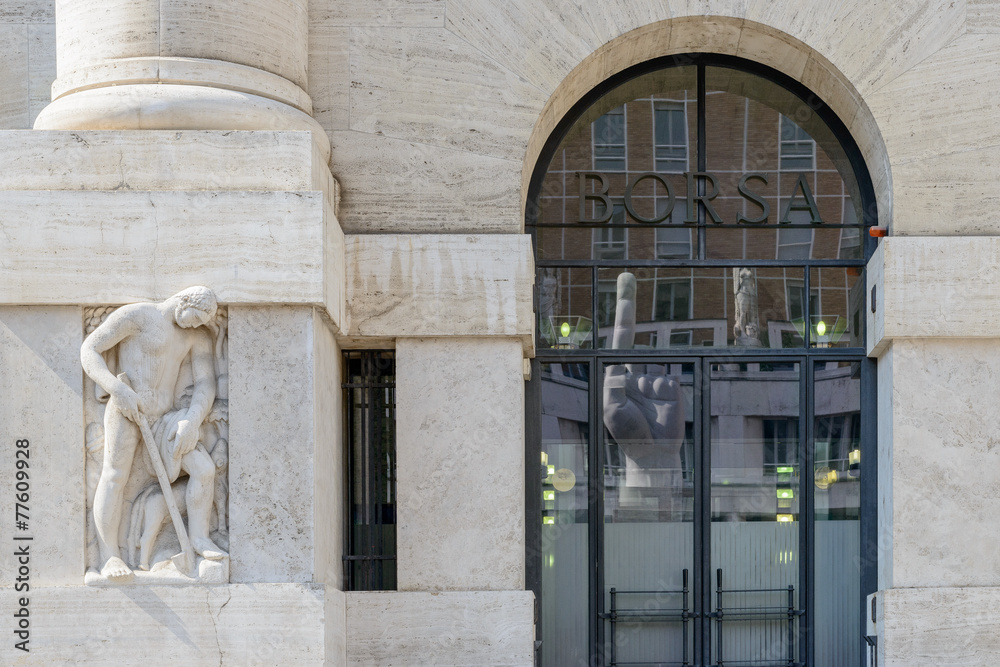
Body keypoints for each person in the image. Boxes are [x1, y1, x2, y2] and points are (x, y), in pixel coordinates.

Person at [81, 286, 226, 581]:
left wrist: (192, 420)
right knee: (114, 476)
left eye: (201, 322)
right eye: (195, 317)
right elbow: (90, 349)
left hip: (167, 418)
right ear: (183, 301)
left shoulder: (197, 335)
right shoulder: (138, 316)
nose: (197, 325)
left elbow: (206, 384)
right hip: (126, 408)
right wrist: (116, 389)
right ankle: (110, 557)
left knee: (204, 469)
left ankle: (199, 539)